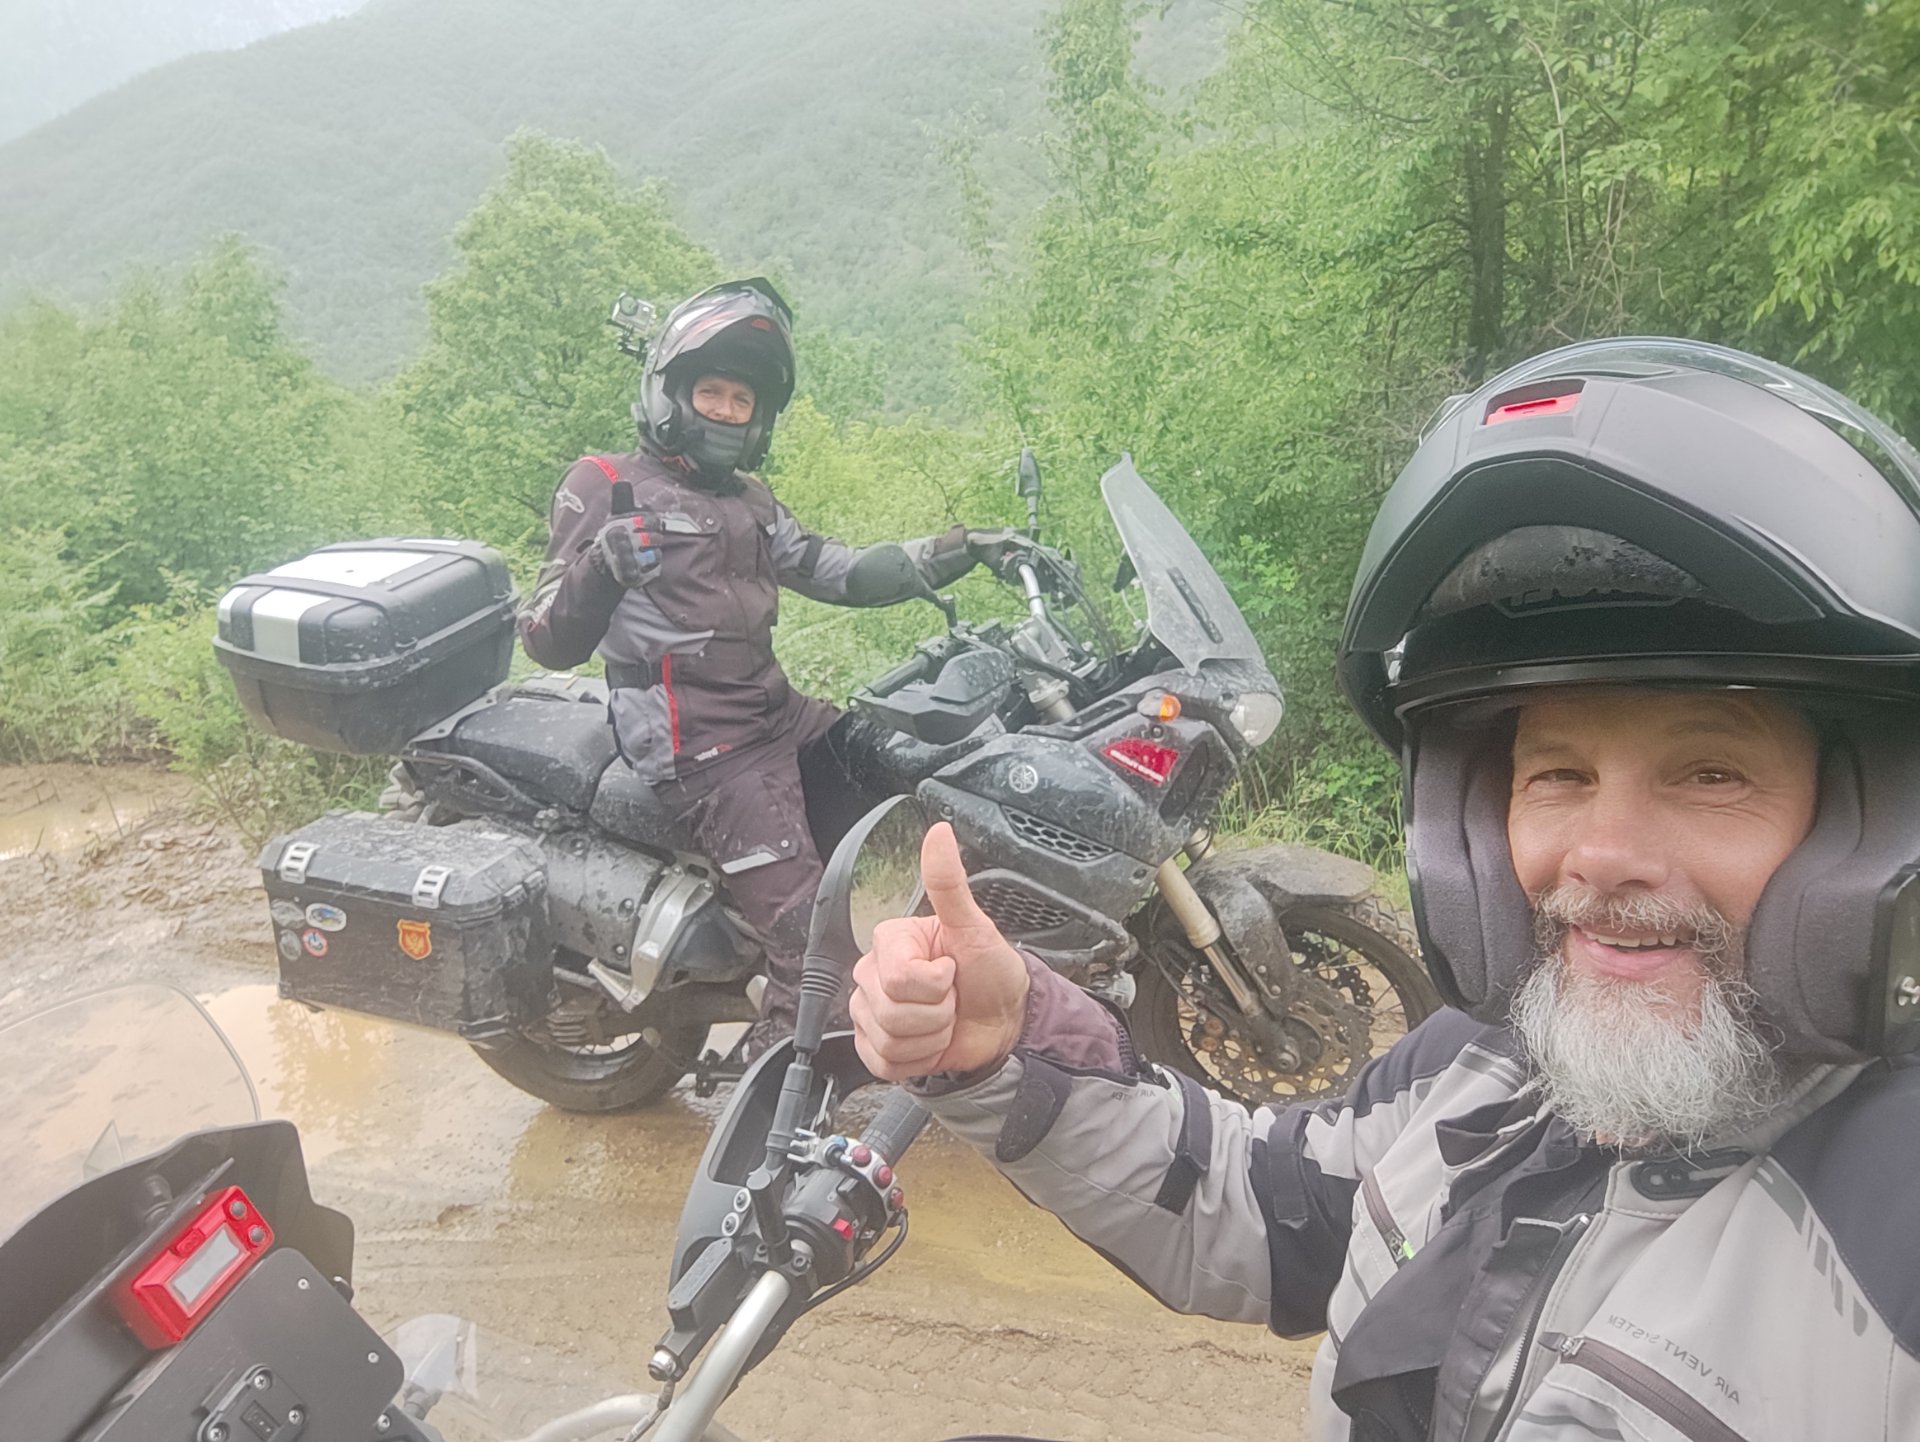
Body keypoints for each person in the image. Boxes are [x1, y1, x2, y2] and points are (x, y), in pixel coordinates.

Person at [850, 339, 1920, 1439]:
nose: (1602, 855)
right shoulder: (1486, 1064)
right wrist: (1011, 1043)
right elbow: (1255, 1203)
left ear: (1870, 823)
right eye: (1557, 775)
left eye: (1710, 775)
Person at [520, 277, 1009, 1054]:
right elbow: (546, 638)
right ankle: (776, 1076)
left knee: (925, 783)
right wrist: (602, 568)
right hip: (701, 751)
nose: (724, 410)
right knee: (816, 948)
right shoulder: (605, 486)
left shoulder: (750, 500)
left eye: (740, 400)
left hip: (779, 718)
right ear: (671, 395)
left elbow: (839, 570)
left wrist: (964, 548)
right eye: (710, 391)